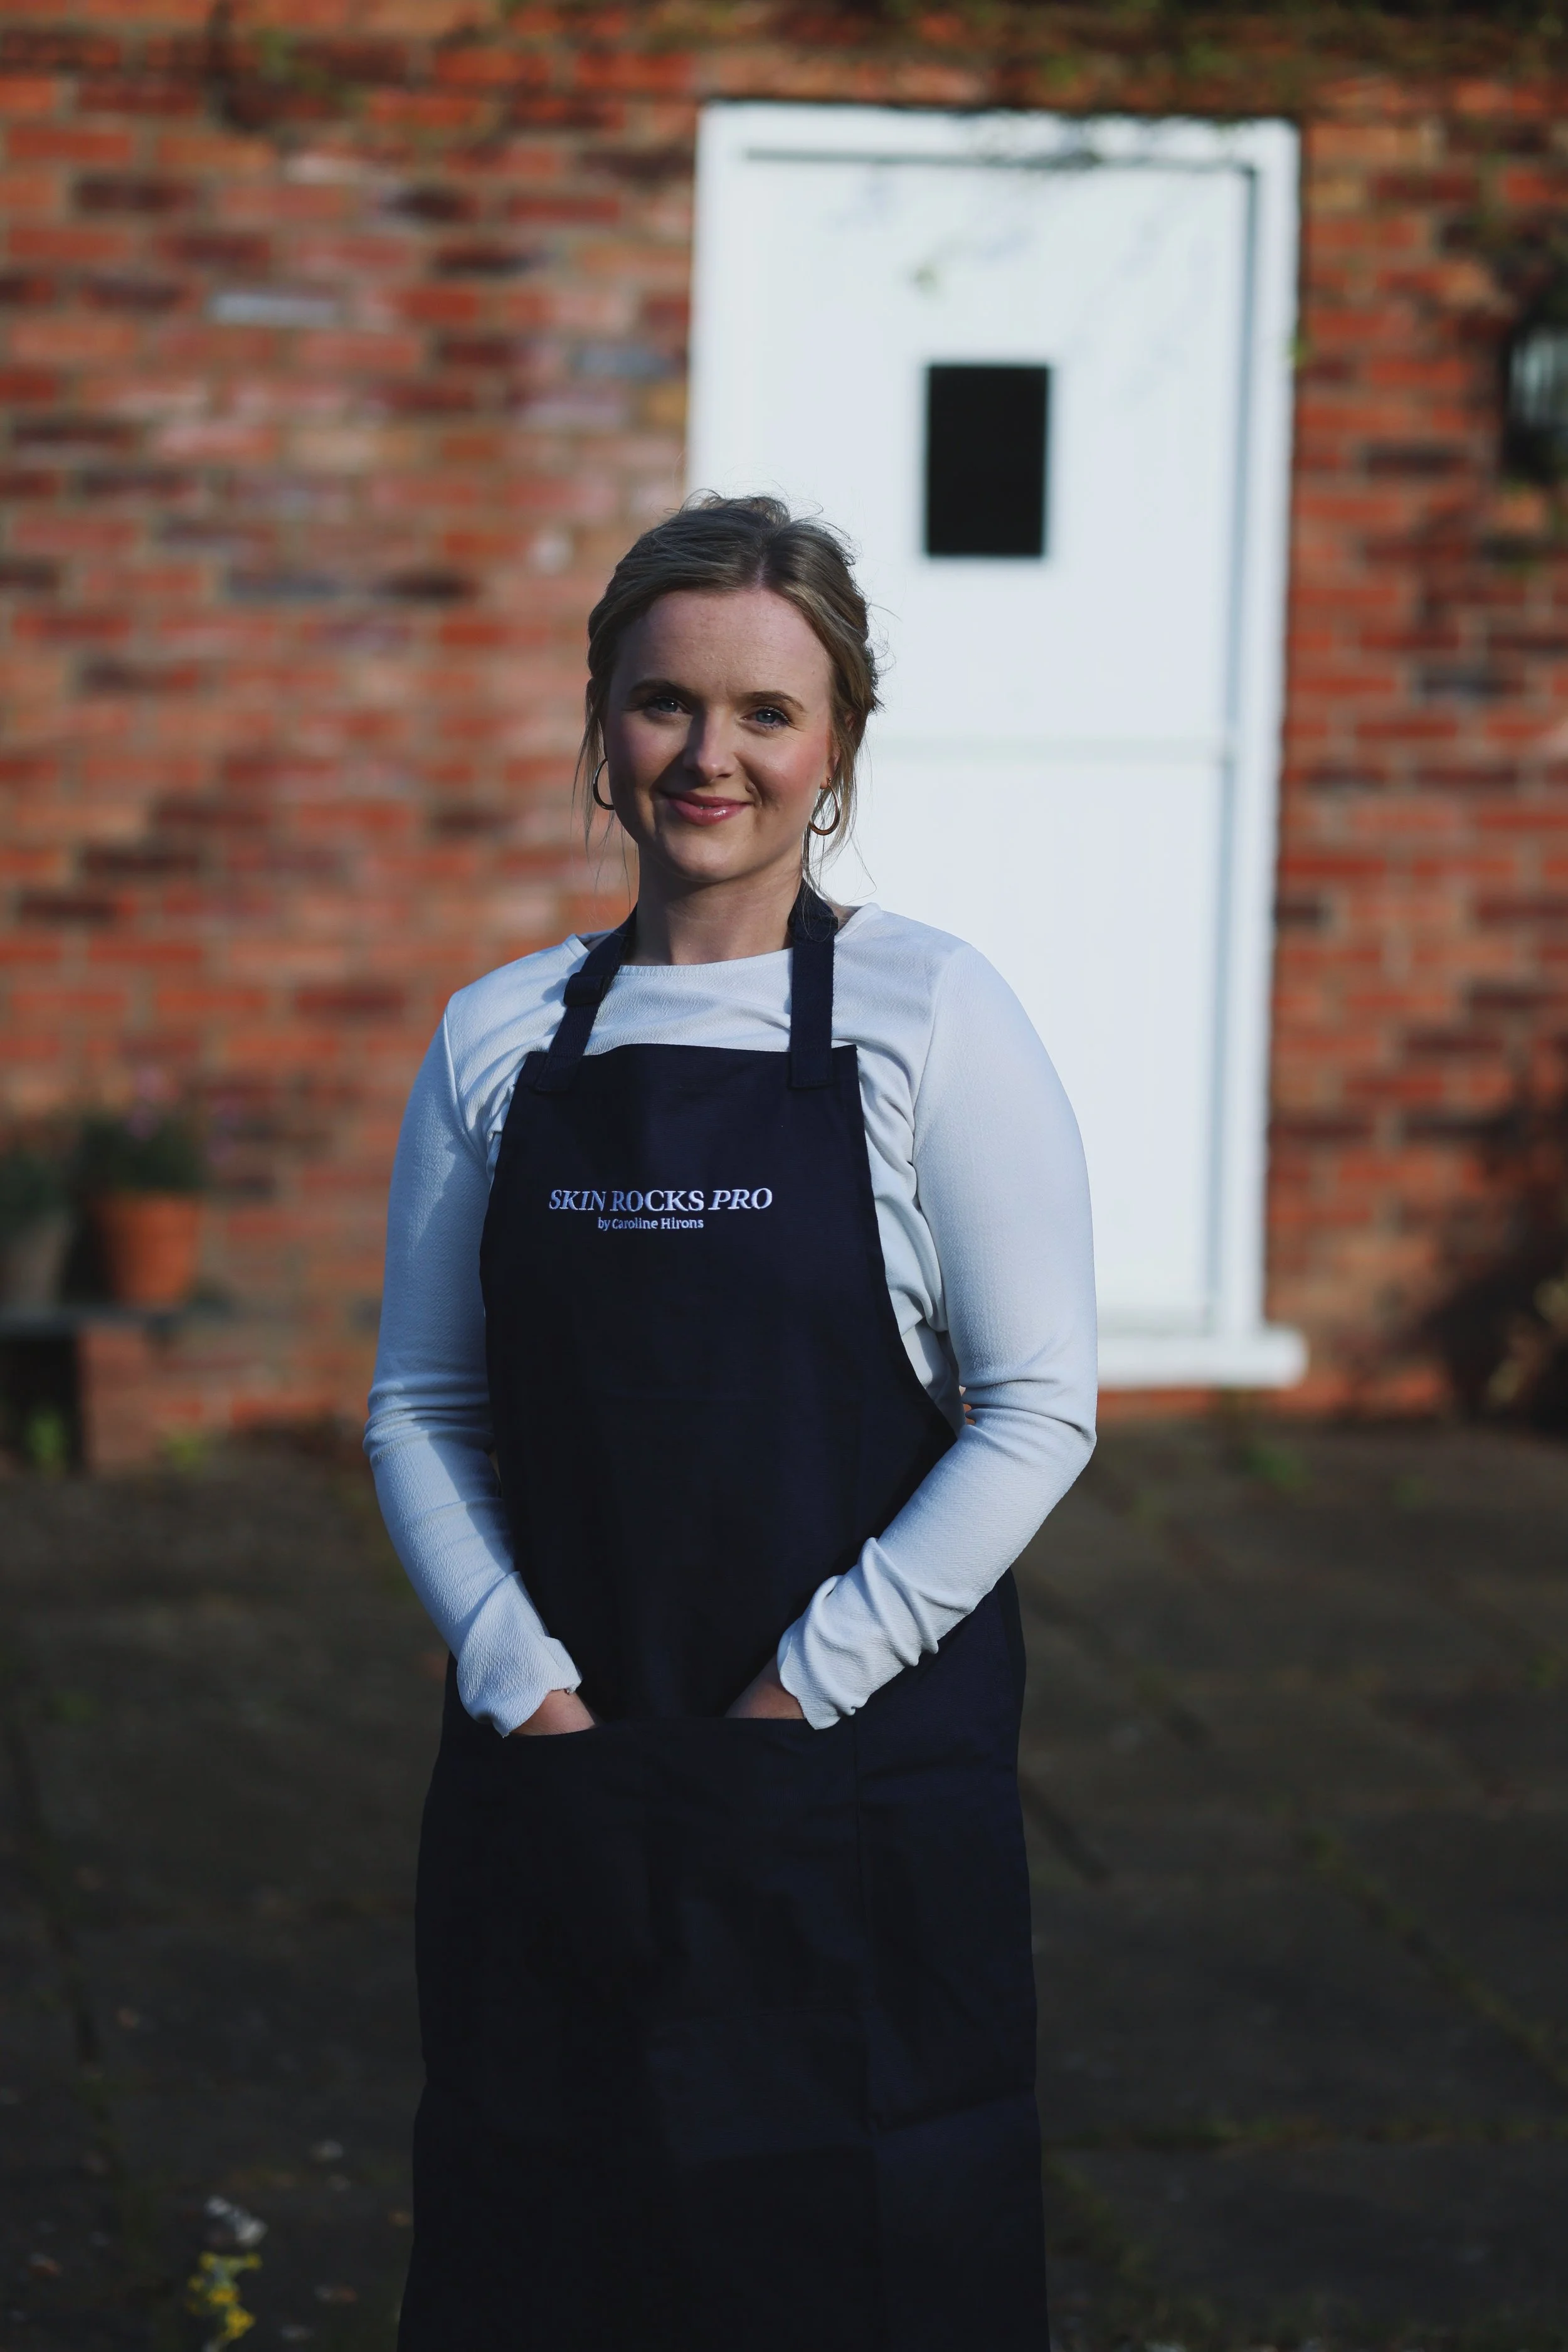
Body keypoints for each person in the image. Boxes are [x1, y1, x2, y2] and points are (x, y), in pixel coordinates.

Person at [365, 493, 1097, 2351]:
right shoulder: (498, 1037)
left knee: (859, 2253)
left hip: (843, 1784)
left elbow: (1034, 1411)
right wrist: (519, 1679)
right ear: (600, 721)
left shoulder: (934, 1016)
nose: (712, 755)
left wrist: (802, 1689)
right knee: (552, 2237)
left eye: (766, 711)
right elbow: (422, 1407)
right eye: (664, 702)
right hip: (566, 1767)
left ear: (835, 743)